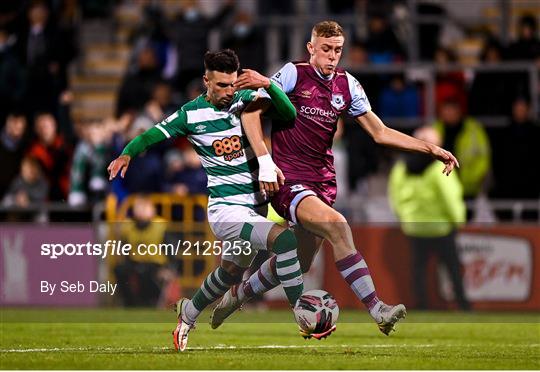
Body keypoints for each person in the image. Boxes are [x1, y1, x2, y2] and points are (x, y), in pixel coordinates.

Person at [211, 21, 459, 337]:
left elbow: (380, 132)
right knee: (338, 227)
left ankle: (238, 294)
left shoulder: (347, 85)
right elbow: (250, 113)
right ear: (311, 48)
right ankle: (378, 309)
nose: (332, 56)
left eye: (337, 50)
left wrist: (431, 147)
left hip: (323, 184)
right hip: (289, 181)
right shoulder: (292, 74)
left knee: (298, 262)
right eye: (325, 49)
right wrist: (265, 162)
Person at [108, 49, 304, 352]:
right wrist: (127, 153)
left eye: (232, 83)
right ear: (206, 81)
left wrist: (268, 84)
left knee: (229, 273)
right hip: (226, 209)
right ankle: (303, 312)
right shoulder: (190, 114)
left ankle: (189, 313)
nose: (228, 91)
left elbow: (288, 113)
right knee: (286, 241)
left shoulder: (246, 100)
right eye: (221, 85)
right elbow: (153, 135)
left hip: (255, 205)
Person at [388, 127, 470, 310]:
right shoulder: (439, 167)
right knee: (453, 269)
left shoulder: (401, 167)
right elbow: (450, 198)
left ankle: (421, 305)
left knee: (418, 270)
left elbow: (395, 197)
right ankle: (463, 305)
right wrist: (458, 220)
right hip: (441, 227)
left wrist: (405, 218)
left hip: (414, 227)